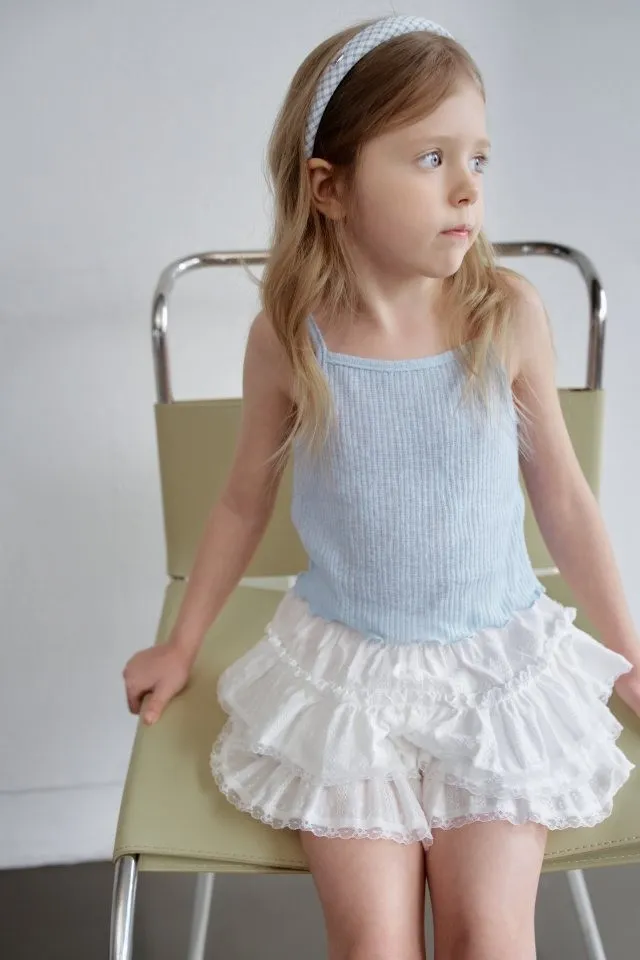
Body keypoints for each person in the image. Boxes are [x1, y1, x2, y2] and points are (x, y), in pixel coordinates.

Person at [123, 15, 640, 959]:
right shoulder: (291, 336)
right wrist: (182, 642)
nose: (466, 188)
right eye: (431, 158)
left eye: (478, 159)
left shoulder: (507, 315)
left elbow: (564, 499)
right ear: (329, 187)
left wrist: (631, 652)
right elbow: (241, 500)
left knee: (491, 935)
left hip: (494, 670)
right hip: (346, 676)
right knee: (374, 945)